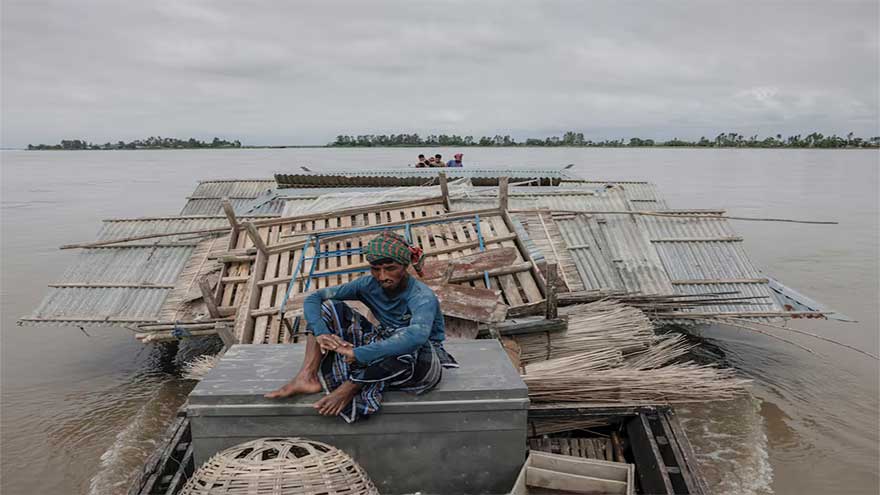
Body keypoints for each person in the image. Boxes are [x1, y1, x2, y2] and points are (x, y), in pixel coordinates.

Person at [265, 231, 457, 423]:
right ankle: (307, 375)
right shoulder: (367, 284)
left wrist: (359, 354)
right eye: (375, 269)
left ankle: (351, 386)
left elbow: (417, 337)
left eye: (391, 268)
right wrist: (321, 332)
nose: (382, 276)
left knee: (407, 341)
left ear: (405, 266)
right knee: (328, 307)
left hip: (421, 360)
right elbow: (315, 298)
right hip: (386, 345)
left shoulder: (421, 296)